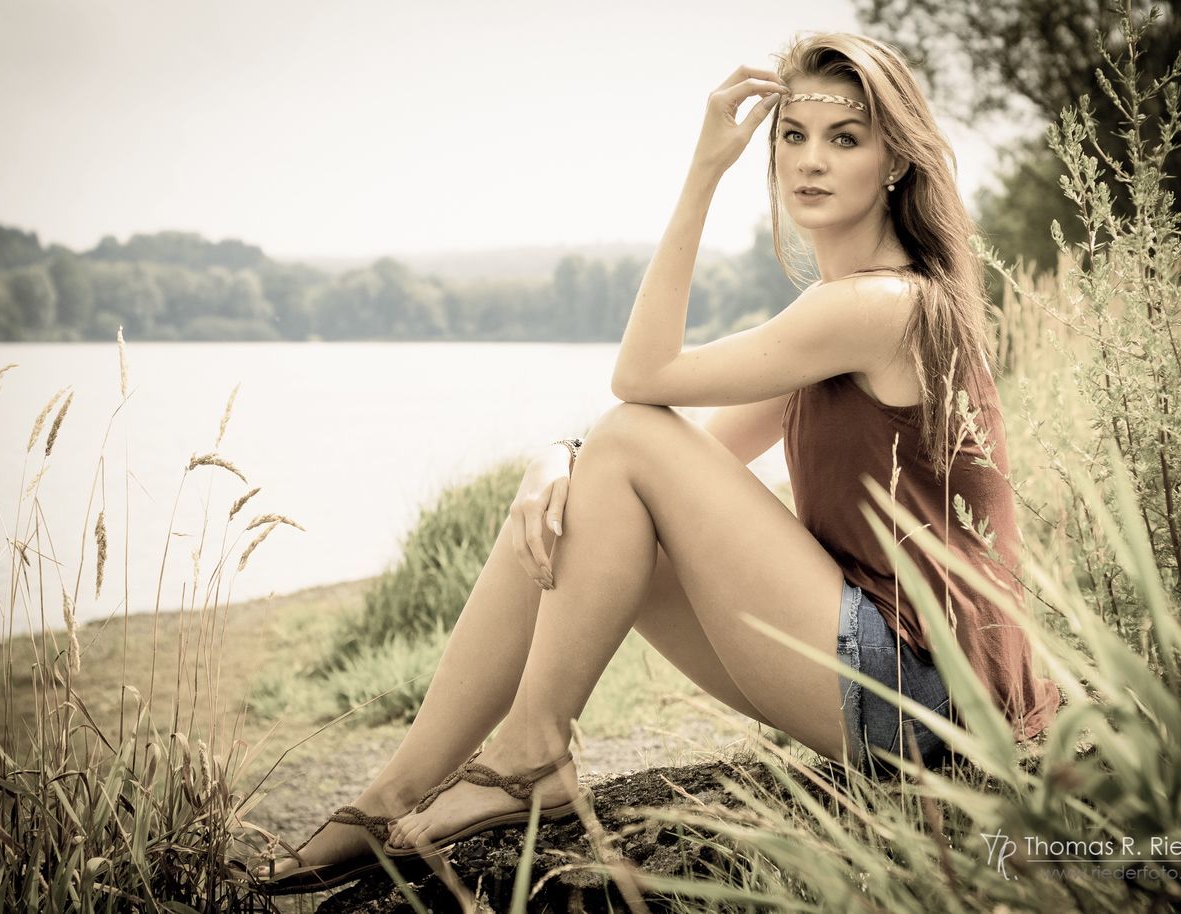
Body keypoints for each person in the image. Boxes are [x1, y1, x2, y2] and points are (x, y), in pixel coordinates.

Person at [243, 30, 1061, 894]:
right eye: (792, 135)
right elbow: (657, 473)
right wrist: (558, 461)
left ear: (895, 160)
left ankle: (528, 757)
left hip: (921, 697)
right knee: (597, 483)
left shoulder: (880, 305)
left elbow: (640, 386)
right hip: (886, 680)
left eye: (845, 138)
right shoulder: (837, 318)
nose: (809, 161)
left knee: (626, 436)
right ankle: (391, 799)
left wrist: (701, 173)